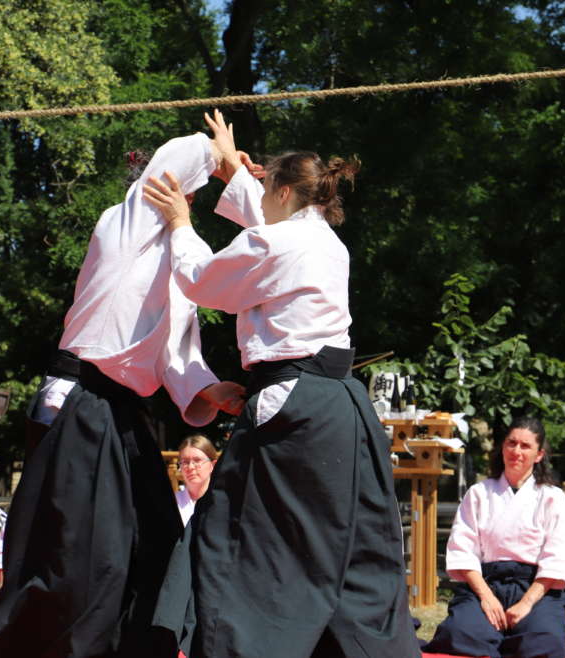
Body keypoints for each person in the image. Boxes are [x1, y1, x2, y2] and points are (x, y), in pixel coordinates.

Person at [143, 110, 420, 657]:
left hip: (293, 405)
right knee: (349, 541)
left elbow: (205, 282)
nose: (260, 199)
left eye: (267, 187)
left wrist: (179, 223)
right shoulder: (323, 240)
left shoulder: (280, 244)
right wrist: (230, 170)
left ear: (288, 191)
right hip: (341, 406)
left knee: (244, 535)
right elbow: (269, 225)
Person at [0, 130, 246, 658]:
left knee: (157, 536)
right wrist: (220, 158)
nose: (190, 197)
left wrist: (213, 391)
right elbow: (170, 164)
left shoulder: (185, 252)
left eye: (194, 193)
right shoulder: (122, 229)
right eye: (187, 188)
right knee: (83, 554)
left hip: (119, 410)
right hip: (79, 400)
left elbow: (175, 354)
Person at [422, 416, 565, 658]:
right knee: (460, 635)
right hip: (486, 583)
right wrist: (486, 598)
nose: (516, 451)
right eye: (511, 443)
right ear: (502, 448)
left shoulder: (552, 498)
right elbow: (463, 551)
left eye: (525, 446)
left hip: (534, 587)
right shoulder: (479, 493)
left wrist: (525, 604)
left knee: (545, 642)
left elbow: (557, 559)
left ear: (539, 455)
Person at [174, 434, 218, 526]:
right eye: (185, 462)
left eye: (197, 460)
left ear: (213, 465)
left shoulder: (223, 502)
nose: (190, 467)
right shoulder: (173, 502)